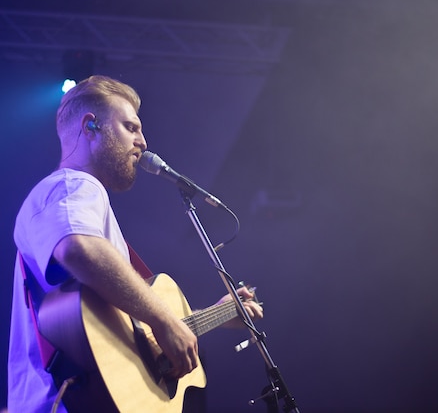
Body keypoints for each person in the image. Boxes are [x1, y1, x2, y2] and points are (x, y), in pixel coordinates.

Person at [8, 75, 263, 412]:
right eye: (130, 127)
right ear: (91, 126)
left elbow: (127, 332)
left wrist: (216, 314)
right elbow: (77, 248)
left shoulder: (77, 196)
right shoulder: (74, 185)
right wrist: (165, 321)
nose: (143, 142)